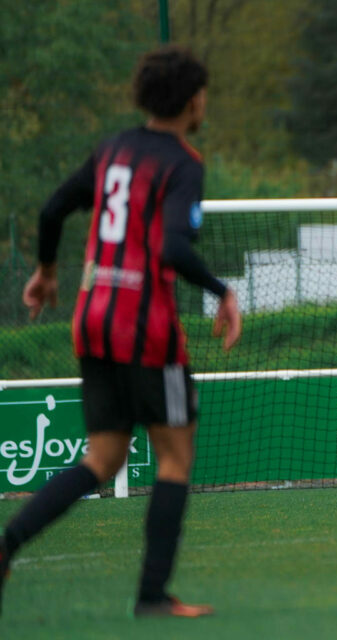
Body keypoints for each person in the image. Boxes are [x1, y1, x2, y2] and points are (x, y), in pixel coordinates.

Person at [0, 45, 240, 618]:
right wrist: (222, 291)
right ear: (191, 100)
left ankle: (5, 547)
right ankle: (153, 596)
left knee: (102, 459)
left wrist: (48, 272)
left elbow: (55, 207)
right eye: (202, 92)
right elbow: (172, 247)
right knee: (175, 459)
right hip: (147, 331)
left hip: (93, 318)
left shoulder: (113, 149)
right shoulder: (183, 161)